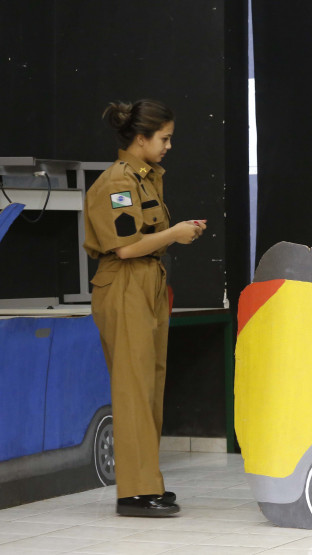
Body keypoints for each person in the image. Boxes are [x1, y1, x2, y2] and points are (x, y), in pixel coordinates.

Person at [83, 99, 206, 517]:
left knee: (149, 386)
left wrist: (175, 233)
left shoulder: (146, 178)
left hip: (148, 281)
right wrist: (175, 233)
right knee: (133, 389)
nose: (169, 145)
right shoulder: (117, 183)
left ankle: (147, 481)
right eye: (164, 138)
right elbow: (126, 246)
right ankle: (133, 492)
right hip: (124, 284)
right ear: (141, 138)